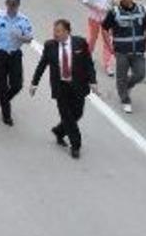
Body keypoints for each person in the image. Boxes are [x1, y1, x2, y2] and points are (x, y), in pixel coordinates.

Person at [30, 19, 97, 159]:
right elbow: (42, 65)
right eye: (54, 31)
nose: (55, 34)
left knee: (77, 113)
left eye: (58, 31)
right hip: (60, 86)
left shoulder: (80, 43)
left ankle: (59, 131)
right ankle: (76, 145)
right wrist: (34, 83)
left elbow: (88, 63)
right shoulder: (50, 46)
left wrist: (93, 81)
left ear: (67, 32)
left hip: (78, 85)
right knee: (67, 116)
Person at [101, 0, 146, 113]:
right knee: (121, 77)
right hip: (121, 52)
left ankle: (126, 86)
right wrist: (109, 46)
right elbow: (104, 29)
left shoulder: (141, 10)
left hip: (138, 51)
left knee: (140, 74)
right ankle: (125, 99)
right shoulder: (114, 12)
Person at [0, 0, 33, 125]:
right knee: (1, 85)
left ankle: (3, 100)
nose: (12, 7)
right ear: (6, 4)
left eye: (14, 5)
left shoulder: (24, 20)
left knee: (17, 85)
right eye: (10, 4)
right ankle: (6, 114)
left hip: (15, 54)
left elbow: (30, 38)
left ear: (18, 5)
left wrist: (21, 37)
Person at [81, 0, 116, 77]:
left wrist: (110, 8)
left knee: (107, 40)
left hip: (107, 17)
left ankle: (108, 65)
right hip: (94, 16)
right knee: (92, 38)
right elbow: (85, 0)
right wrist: (96, 7)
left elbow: (112, 0)